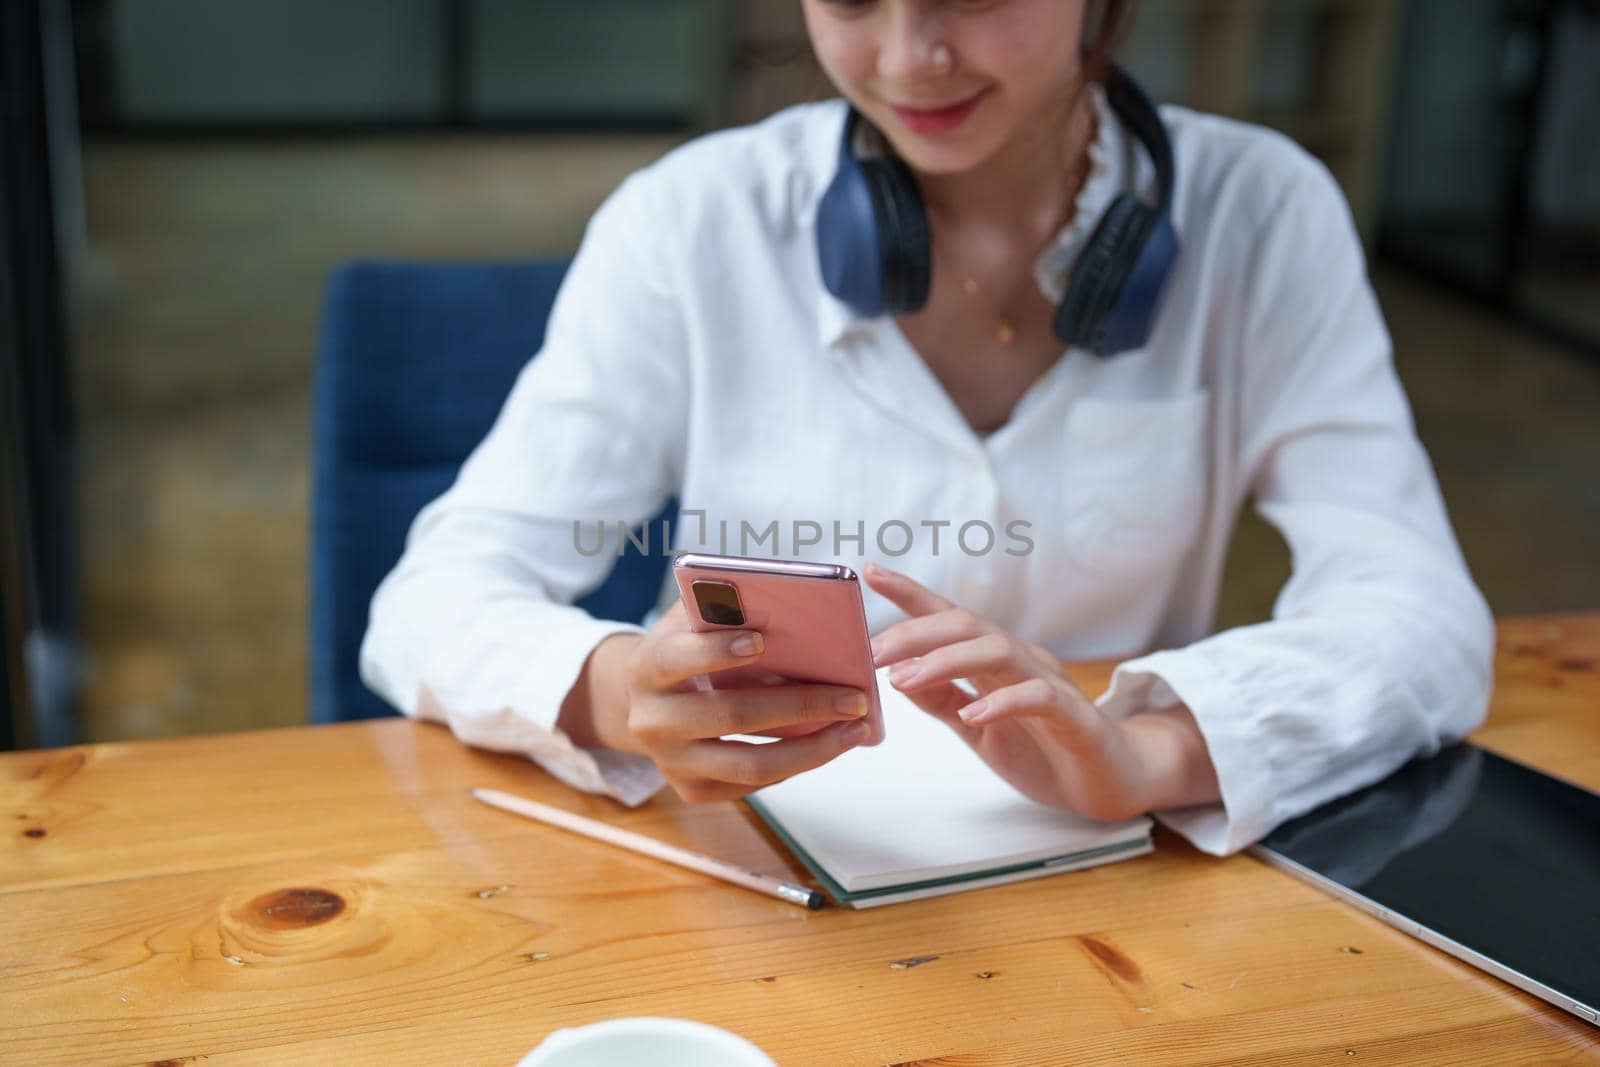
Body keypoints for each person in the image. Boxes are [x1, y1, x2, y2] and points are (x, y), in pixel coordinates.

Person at [360, 0, 1494, 856]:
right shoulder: (691, 220)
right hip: (746, 872)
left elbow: (1420, 613)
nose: (908, 58)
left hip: (1110, 883)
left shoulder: (1261, 214)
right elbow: (431, 599)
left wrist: (1147, 753)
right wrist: (615, 690)